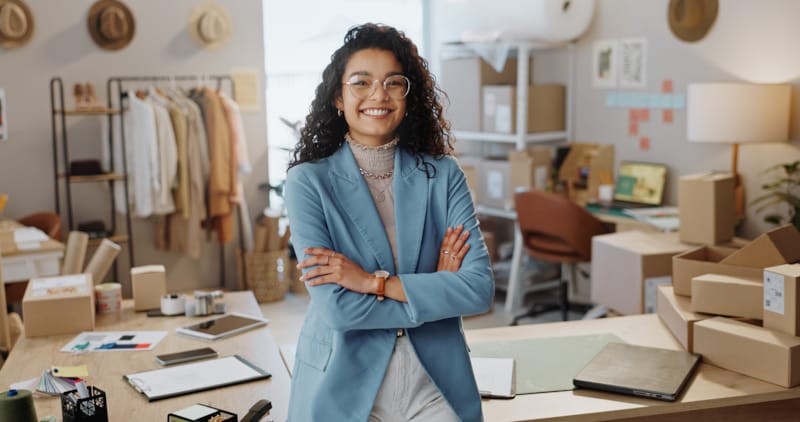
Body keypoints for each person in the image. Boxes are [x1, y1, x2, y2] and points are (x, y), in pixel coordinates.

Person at [283, 23, 494, 422]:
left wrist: (370, 282)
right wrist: (436, 291)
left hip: (434, 380)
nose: (378, 95)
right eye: (361, 82)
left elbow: (479, 289)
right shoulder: (308, 182)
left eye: (393, 83)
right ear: (338, 98)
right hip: (343, 379)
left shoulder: (443, 175)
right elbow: (339, 311)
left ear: (408, 97)